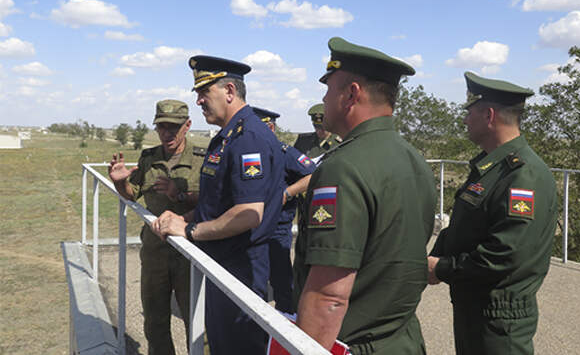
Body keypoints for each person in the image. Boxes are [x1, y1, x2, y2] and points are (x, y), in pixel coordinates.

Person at [292, 37, 437, 354]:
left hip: (353, 344)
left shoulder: (342, 168)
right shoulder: (415, 161)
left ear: (351, 94)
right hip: (403, 341)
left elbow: (329, 298)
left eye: (328, 88)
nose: (324, 98)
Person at [153, 56, 286, 354]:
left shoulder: (248, 138)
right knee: (221, 343)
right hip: (222, 260)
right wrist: (180, 217)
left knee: (238, 346)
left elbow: (248, 214)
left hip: (241, 266)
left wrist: (189, 230)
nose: (198, 101)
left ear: (229, 90)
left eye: (204, 93)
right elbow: (217, 202)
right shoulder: (226, 137)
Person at [427, 72, 558, 355]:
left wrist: (442, 268)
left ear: (488, 115)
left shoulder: (523, 175)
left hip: (499, 319)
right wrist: (434, 258)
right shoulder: (492, 169)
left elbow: (506, 253)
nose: (464, 120)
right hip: (476, 307)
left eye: (468, 113)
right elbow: (466, 227)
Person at [108, 99, 204, 355]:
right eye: (162, 126)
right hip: (155, 252)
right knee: (154, 320)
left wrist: (181, 196)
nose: (167, 133)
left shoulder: (203, 159)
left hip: (191, 254)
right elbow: (132, 194)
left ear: (187, 126)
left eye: (174, 127)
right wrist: (120, 183)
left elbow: (217, 200)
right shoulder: (148, 158)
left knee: (197, 322)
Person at [252, 106, 316, 313]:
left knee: (281, 280)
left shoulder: (284, 152)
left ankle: (287, 321)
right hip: (251, 226)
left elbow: (313, 175)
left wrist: (287, 193)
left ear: (270, 128)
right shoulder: (250, 152)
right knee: (253, 279)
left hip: (276, 228)